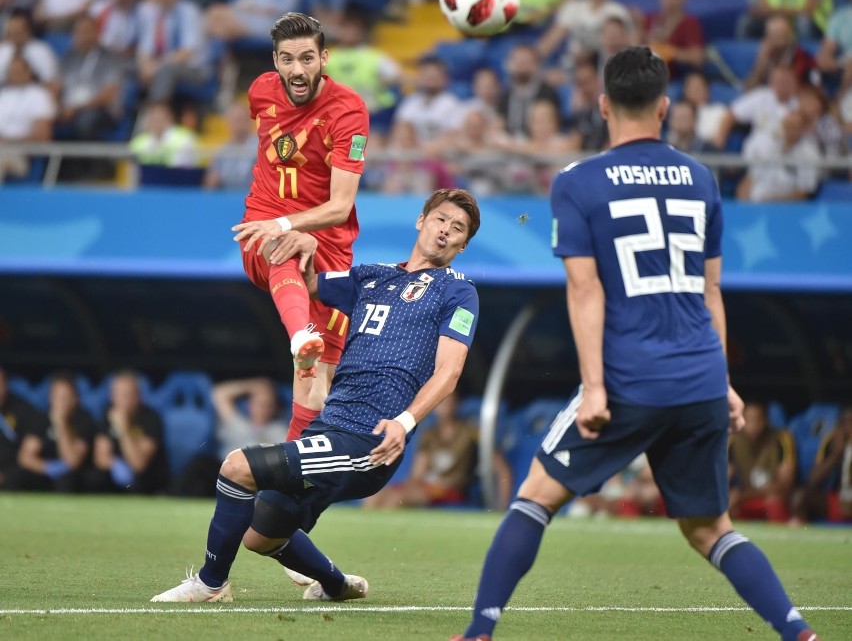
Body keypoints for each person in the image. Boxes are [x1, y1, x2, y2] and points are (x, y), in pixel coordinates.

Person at [452, 46, 820, 641]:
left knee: (534, 497)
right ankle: (799, 632)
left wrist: (595, 387)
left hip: (629, 378)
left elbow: (584, 288)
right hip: (699, 377)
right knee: (710, 529)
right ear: (665, 106)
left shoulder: (578, 182)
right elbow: (713, 290)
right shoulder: (700, 178)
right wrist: (723, 382)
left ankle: (477, 633)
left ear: (603, 105)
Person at [150, 189, 481, 603]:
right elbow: (303, 282)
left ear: (464, 245)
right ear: (420, 221)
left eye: (458, 229)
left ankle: (211, 584)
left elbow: (449, 372)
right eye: (441, 219)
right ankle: (337, 584)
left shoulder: (458, 291)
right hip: (329, 425)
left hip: (368, 438)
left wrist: (405, 421)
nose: (446, 231)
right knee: (261, 534)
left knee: (237, 467)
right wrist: (306, 241)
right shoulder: (371, 276)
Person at [230, 12, 370, 442]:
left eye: (307, 58)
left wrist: (292, 222)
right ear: (275, 60)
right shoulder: (260, 92)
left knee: (316, 383)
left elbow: (341, 204)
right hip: (263, 226)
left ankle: (294, 482)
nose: (297, 69)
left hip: (327, 244)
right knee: (282, 244)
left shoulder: (349, 111)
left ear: (323, 58)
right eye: (287, 59)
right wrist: (279, 222)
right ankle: (298, 335)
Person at [365, 392, 513, 510]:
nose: (444, 405)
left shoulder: (471, 432)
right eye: (441, 402)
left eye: (449, 400)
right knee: (374, 496)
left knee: (397, 499)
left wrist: (501, 507)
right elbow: (418, 472)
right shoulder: (430, 434)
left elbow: (501, 468)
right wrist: (411, 484)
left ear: (457, 403)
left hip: (450, 489)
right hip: (426, 486)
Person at [170, 377, 289, 497]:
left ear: (275, 408)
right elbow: (219, 393)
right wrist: (252, 385)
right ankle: (173, 498)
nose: (263, 409)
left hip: (256, 476)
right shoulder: (236, 421)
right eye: (259, 404)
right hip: (225, 471)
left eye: (268, 405)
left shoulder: (278, 430)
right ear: (249, 405)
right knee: (201, 462)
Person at [7, 372, 96, 493]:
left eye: (65, 397)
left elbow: (72, 461)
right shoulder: (42, 418)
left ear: (75, 398)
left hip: (74, 475)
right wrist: (47, 467)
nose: (61, 402)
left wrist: (60, 424)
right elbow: (25, 457)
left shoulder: (83, 420)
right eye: (57, 397)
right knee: (15, 477)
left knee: (66, 479)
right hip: (45, 471)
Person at [84, 370, 169, 494]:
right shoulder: (107, 415)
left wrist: (124, 427)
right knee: (94, 478)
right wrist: (115, 464)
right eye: (118, 394)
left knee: (138, 480)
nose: (123, 399)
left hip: (145, 477)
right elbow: (101, 457)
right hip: (116, 472)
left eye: (128, 394)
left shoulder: (151, 418)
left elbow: (139, 463)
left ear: (138, 396)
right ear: (112, 396)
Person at [727, 401, 796, 522]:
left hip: (769, 500)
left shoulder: (782, 439)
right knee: (726, 504)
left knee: (774, 502)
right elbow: (723, 479)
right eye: (749, 420)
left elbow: (784, 486)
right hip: (745, 500)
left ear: (766, 420)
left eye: (757, 419)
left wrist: (743, 495)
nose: (753, 425)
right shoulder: (733, 441)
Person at [792, 405, 852, 524]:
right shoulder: (832, 441)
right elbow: (812, 480)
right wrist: (836, 455)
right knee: (801, 498)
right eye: (847, 422)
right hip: (837, 501)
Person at [0, 367, 42, 489]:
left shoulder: (23, 410)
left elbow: (27, 451)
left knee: (16, 477)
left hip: (13, 466)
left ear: (6, 384)